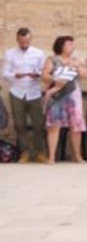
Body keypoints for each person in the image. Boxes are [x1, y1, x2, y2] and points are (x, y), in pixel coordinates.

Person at [2, 28, 48, 162]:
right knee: (20, 124)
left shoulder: (38, 53)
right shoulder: (10, 53)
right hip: (17, 91)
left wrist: (37, 74)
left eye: (27, 41)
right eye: (22, 41)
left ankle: (40, 152)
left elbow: (44, 71)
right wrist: (15, 75)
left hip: (34, 91)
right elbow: (5, 73)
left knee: (38, 124)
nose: (24, 44)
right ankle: (26, 152)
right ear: (17, 40)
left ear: (30, 39)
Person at [42, 35, 87, 163]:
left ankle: (77, 156)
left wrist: (77, 66)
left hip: (73, 94)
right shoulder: (52, 59)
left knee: (76, 125)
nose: (72, 47)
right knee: (54, 125)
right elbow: (44, 75)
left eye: (72, 44)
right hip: (57, 95)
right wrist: (55, 80)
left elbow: (85, 75)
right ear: (61, 46)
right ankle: (51, 157)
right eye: (69, 44)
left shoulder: (75, 60)